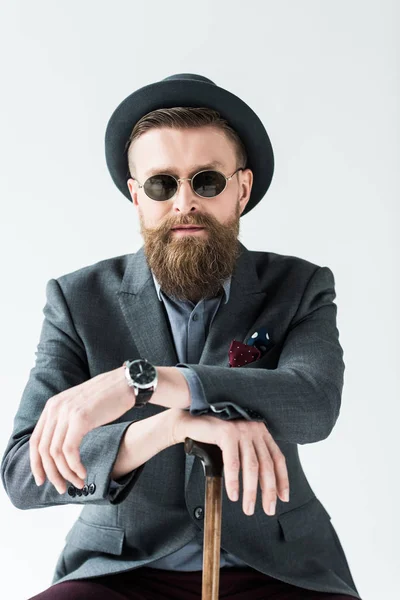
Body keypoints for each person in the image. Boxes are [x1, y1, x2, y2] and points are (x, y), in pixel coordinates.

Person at [1, 73, 362, 600]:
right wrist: (171, 425)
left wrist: (142, 384)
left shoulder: (300, 286)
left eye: (207, 181)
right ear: (137, 198)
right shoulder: (77, 300)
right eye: (162, 184)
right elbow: (21, 473)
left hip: (277, 565)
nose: (184, 202)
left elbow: (313, 404)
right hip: (121, 570)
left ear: (241, 189)